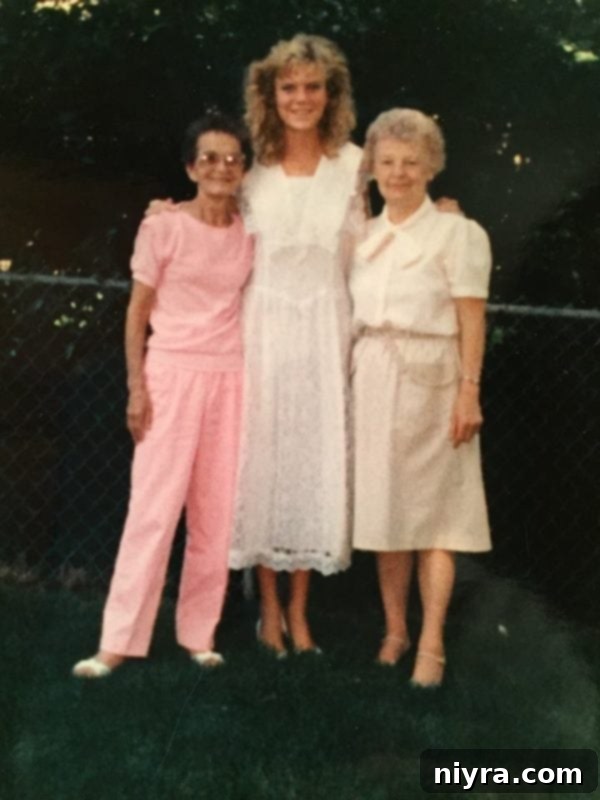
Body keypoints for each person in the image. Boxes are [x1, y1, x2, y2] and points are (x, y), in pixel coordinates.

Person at [72, 114, 253, 677]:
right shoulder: (163, 227)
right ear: (189, 167)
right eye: (208, 158)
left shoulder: (253, 232)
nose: (219, 168)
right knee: (152, 512)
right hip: (170, 375)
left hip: (232, 379)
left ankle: (198, 633)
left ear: (244, 168)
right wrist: (136, 385)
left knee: (216, 516)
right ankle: (117, 641)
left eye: (231, 158)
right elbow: (137, 311)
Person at [226, 34, 365, 657]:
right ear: (270, 94)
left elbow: (383, 237)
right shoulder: (248, 169)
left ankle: (302, 612)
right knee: (263, 460)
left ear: (330, 94)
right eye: (289, 87)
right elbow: (209, 222)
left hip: (326, 329)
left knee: (314, 464)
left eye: (313, 87)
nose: (301, 98)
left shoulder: (356, 165)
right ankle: (270, 613)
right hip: (264, 329)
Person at [350, 108, 492, 687]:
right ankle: (394, 631)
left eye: (412, 162)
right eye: (388, 162)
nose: (399, 173)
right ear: (373, 169)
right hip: (374, 377)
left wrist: (469, 392)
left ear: (431, 168)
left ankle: (431, 641)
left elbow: (471, 319)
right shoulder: (363, 236)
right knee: (388, 512)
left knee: (436, 517)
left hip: (436, 378)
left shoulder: (459, 233)